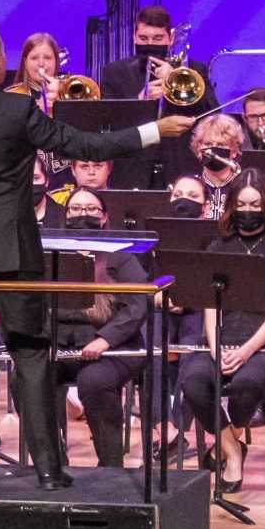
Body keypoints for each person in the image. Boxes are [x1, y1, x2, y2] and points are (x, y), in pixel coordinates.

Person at [0, 18, 183, 487]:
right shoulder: (16, 111)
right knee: (30, 357)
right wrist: (154, 130)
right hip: (13, 253)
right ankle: (49, 470)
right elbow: (84, 145)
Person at [174, 174, 265, 490]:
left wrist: (245, 351)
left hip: (263, 345)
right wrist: (216, 348)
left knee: (247, 384)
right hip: (219, 339)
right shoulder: (218, 247)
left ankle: (226, 446)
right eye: (241, 204)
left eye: (254, 204)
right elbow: (210, 305)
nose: (247, 210)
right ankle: (233, 450)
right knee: (195, 382)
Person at [48, 187, 151, 469]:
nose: (84, 214)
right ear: (66, 216)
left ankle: (110, 466)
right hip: (59, 341)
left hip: (113, 346)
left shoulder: (120, 255)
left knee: (94, 382)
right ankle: (52, 460)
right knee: (31, 376)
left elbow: (139, 303)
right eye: (76, 209)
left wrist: (105, 339)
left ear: (105, 217)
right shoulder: (51, 252)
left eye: (92, 209)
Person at [94, 3, 214, 185]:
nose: (150, 44)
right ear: (134, 37)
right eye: (143, 38)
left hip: (181, 167)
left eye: (158, 38)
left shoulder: (194, 70)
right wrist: (140, 102)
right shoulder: (115, 72)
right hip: (132, 168)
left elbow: (212, 113)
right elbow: (108, 125)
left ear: (170, 38)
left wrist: (174, 80)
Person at [185, 112, 250, 209]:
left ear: (234, 151)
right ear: (198, 148)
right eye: (208, 144)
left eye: (221, 145)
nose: (213, 150)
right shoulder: (188, 187)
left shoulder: (246, 188)